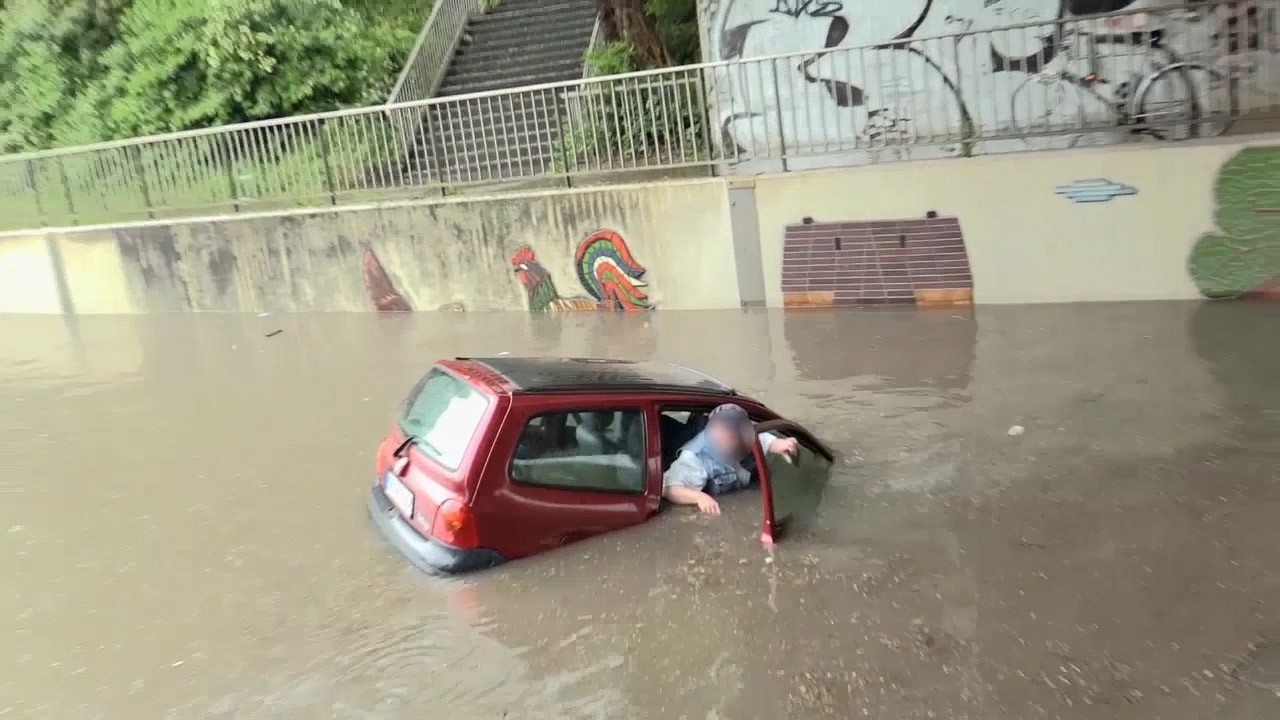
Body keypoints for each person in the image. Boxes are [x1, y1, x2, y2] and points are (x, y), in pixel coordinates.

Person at [662, 403, 798, 515]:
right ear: (714, 433)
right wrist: (699, 498)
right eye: (726, 436)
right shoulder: (695, 458)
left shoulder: (745, 435)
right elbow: (669, 488)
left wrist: (783, 444)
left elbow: (767, 441)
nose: (736, 441)